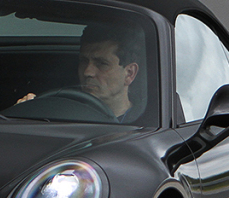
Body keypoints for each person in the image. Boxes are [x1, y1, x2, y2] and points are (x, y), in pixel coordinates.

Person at [17, 23, 145, 123]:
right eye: (83, 61)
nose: (87, 72)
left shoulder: (145, 123)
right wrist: (25, 114)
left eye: (101, 63)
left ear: (129, 73)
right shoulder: (57, 112)